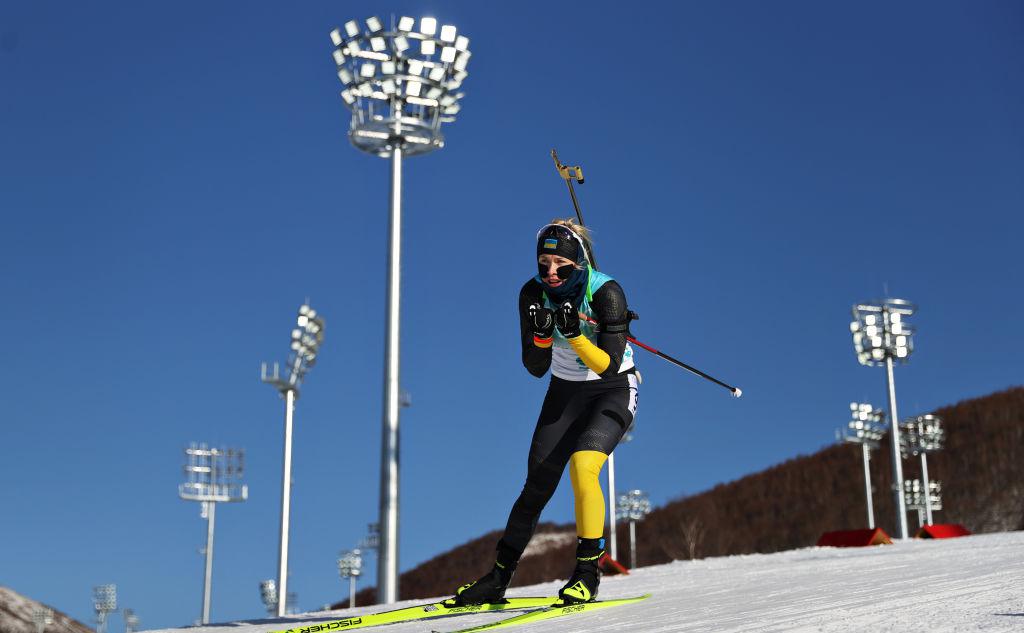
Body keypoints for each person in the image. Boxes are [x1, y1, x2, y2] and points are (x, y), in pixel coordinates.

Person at [454, 218, 639, 605]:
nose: (551, 273)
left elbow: (607, 365)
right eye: (544, 263)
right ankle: (498, 578)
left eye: (562, 266)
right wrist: (541, 336)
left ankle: (587, 574)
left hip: (612, 389)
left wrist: (573, 335)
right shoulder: (531, 293)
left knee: (584, 467)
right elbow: (535, 367)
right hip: (565, 392)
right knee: (536, 486)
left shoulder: (606, 293)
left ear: (579, 264)